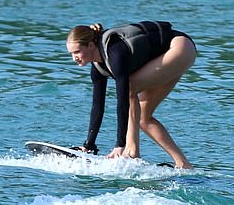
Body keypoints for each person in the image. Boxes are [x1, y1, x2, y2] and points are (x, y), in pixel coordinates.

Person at [66, 21, 196, 169]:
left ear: (90, 45)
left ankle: (131, 151)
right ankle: (183, 164)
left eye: (76, 52)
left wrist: (119, 145)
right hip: (174, 54)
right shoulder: (98, 68)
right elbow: (97, 107)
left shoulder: (115, 52)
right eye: (71, 53)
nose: (73, 58)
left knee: (130, 88)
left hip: (179, 47)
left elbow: (123, 102)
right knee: (142, 118)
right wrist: (88, 145)